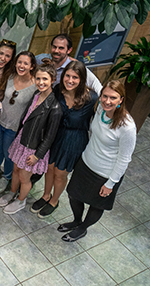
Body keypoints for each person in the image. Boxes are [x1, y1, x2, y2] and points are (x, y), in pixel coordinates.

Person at [59, 80, 136, 241]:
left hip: (105, 173)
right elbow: (87, 75)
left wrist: (111, 183)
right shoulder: (100, 108)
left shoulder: (127, 127)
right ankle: (76, 221)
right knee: (73, 195)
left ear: (121, 100)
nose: (108, 101)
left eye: (113, 98)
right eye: (105, 96)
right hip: (86, 163)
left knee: (96, 205)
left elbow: (124, 158)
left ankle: (82, 228)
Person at [32, 60, 97, 218]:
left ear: (81, 79)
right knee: (49, 168)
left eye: (75, 77)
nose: (70, 80)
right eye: (67, 76)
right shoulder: (58, 90)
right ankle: (46, 195)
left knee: (60, 173)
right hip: (55, 134)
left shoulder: (91, 98)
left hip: (74, 140)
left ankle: (54, 200)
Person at [0, 64, 62, 214]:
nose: (41, 82)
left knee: (24, 176)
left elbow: (50, 137)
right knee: (15, 170)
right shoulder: (36, 95)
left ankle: (21, 201)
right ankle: (12, 192)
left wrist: (37, 155)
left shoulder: (55, 108)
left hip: (33, 147)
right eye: (38, 78)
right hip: (22, 140)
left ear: (52, 80)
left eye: (45, 79)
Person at [0, 51, 37, 193]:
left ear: (32, 66)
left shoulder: (35, 85)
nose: (22, 65)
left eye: (26, 63)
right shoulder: (10, 77)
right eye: (19, 62)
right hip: (0, 121)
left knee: (8, 154)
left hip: (14, 127)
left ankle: (6, 177)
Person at [37, 34, 102, 94]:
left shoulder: (74, 65)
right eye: (54, 47)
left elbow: (94, 83)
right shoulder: (41, 60)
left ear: (69, 50)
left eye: (61, 48)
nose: (56, 51)